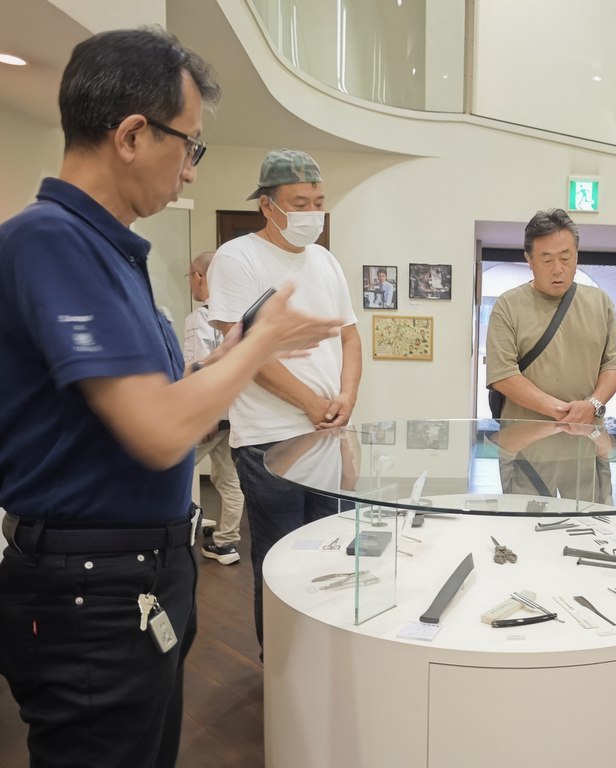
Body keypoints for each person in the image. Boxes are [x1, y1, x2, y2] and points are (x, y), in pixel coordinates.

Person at [0, 29, 344, 768]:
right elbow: (159, 431)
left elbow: (162, 401)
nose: (190, 171)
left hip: (139, 573)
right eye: (190, 146)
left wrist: (235, 349)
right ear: (132, 136)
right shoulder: (52, 240)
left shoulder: (110, 251)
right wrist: (255, 346)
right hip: (93, 587)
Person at [207, 148, 362, 650]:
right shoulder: (239, 257)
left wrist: (345, 397)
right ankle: (280, 664)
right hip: (269, 439)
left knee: (329, 552)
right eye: (300, 203)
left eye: (318, 202)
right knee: (280, 559)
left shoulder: (325, 260)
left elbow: (350, 337)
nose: (313, 213)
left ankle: (321, 656)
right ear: (267, 205)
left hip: (328, 435)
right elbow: (244, 350)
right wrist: (310, 403)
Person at [486, 207, 616, 423]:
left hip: (585, 437)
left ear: (576, 256)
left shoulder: (600, 302)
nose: (557, 269)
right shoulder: (508, 305)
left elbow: (614, 364)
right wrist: (564, 412)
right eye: (547, 260)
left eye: (565, 258)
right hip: (523, 438)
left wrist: (592, 404)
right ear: (529, 260)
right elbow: (502, 375)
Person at [184, 251, 245, 565]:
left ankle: (177, 531)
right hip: (233, 414)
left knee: (173, 470)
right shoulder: (237, 316)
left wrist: (204, 412)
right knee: (228, 479)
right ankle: (227, 542)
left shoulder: (200, 318)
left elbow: (200, 367)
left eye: (190, 276)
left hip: (209, 414)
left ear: (199, 277)